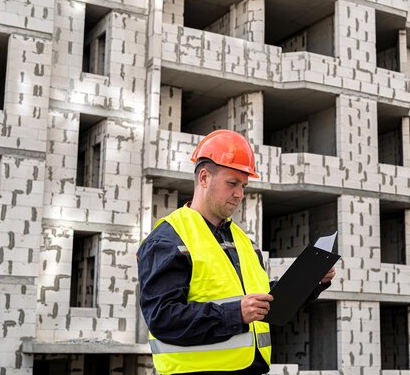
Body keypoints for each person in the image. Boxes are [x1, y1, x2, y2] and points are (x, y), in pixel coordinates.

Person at [137, 129, 336, 375]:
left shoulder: (243, 242)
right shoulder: (169, 239)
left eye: (243, 185)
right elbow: (162, 318)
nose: (240, 194)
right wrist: (235, 314)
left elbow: (261, 303)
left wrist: (309, 281)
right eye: (232, 183)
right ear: (204, 178)